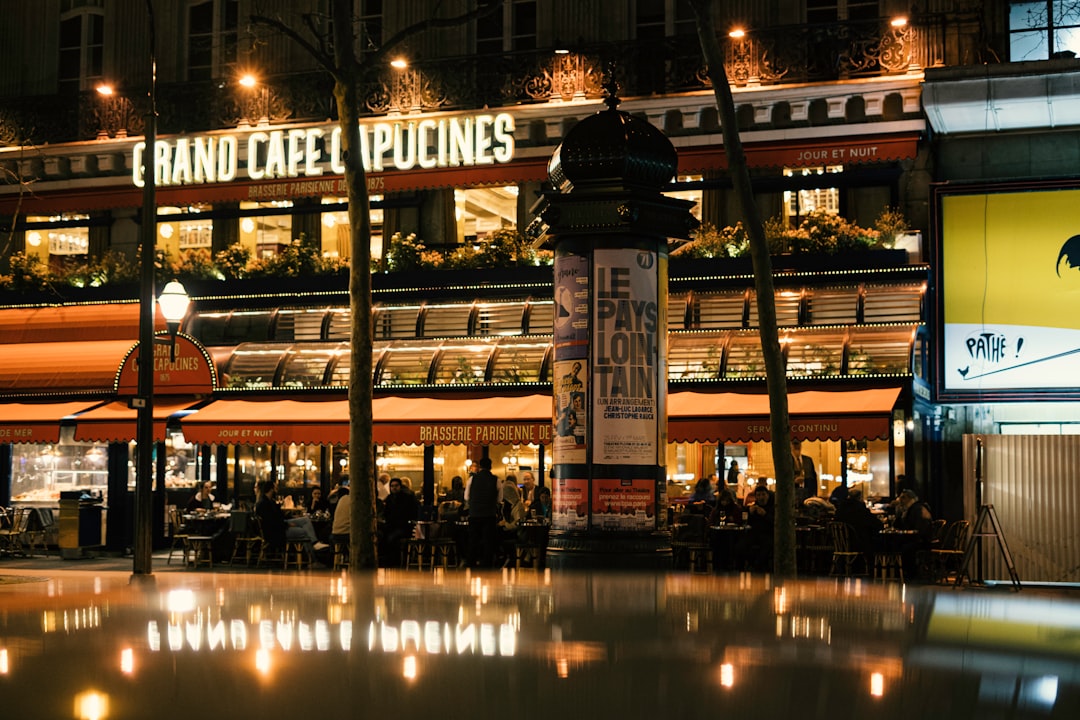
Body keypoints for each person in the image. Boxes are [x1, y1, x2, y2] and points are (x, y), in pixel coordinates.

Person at [254, 480, 329, 557]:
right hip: (277, 532)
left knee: (305, 519)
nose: (277, 490)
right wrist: (287, 524)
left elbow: (280, 517)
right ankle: (313, 559)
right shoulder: (264, 504)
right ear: (271, 489)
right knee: (305, 531)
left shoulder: (270, 501)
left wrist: (293, 517)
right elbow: (271, 522)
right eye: (276, 488)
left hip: (281, 526)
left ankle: (315, 543)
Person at [466, 457, 500, 568]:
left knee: (473, 540)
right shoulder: (496, 480)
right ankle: (487, 565)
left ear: (480, 466)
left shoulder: (472, 479)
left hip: (474, 514)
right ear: (491, 467)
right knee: (488, 541)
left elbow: (466, 497)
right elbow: (500, 499)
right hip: (489, 515)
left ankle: (471, 563)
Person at [833, 488, 881, 564]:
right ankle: (873, 567)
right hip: (857, 542)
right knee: (877, 540)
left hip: (840, 543)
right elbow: (876, 524)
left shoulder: (840, 508)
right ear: (860, 498)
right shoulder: (860, 509)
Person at [381, 477, 420, 566]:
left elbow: (411, 513)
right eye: (392, 486)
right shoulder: (389, 498)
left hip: (404, 527)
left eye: (396, 486)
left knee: (390, 538)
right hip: (392, 526)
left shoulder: (406, 498)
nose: (394, 488)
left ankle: (393, 562)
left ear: (400, 486)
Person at [738, 485, 775, 571]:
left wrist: (765, 515)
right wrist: (749, 513)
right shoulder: (753, 507)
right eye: (758, 495)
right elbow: (745, 522)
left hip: (768, 535)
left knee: (765, 547)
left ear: (767, 495)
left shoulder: (773, 508)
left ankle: (759, 567)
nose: (761, 497)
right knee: (741, 545)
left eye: (763, 494)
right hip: (754, 534)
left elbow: (774, 522)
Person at [497, 482, 528, 566]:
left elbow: (518, 524)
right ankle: (503, 557)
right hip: (510, 531)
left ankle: (504, 558)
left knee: (497, 535)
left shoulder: (518, 506)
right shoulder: (508, 506)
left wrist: (505, 524)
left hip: (517, 534)